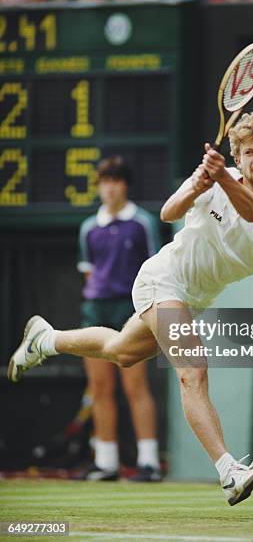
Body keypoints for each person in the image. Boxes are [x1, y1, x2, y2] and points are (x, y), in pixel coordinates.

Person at [8, 111, 253, 506]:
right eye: (248, 152)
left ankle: (47, 339)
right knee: (192, 370)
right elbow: (168, 213)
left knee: (121, 352)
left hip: (195, 296)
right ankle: (229, 471)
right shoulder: (217, 180)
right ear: (238, 158)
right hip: (162, 280)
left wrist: (220, 180)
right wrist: (197, 185)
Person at [78, 156, 162, 481]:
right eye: (104, 181)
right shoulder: (88, 229)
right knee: (99, 386)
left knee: (135, 386)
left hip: (131, 310)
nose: (109, 188)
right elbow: (90, 275)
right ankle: (107, 462)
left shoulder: (142, 223)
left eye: (115, 181)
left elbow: (156, 268)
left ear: (124, 185)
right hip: (96, 311)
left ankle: (149, 463)